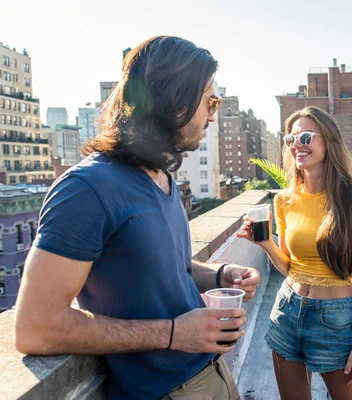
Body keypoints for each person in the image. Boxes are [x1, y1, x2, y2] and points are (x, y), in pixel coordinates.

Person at [14, 36, 260, 400]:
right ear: (174, 101)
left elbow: (170, 268)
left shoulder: (161, 176)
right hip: (165, 391)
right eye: (209, 101)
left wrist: (222, 275)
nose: (213, 113)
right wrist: (174, 333)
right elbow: (36, 326)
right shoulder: (87, 188)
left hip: (212, 373)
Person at [237, 106, 352, 400]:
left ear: (329, 141)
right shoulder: (284, 200)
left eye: (305, 137)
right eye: (290, 140)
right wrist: (265, 244)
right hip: (287, 312)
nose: (297, 145)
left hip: (336, 320)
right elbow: (290, 267)